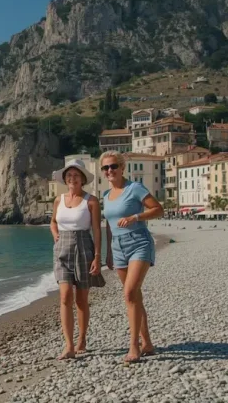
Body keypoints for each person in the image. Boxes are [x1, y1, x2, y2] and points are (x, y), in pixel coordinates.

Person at [100, 151, 164, 363]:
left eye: (113, 166)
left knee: (129, 293)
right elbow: (109, 226)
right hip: (117, 248)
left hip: (138, 242)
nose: (110, 170)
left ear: (122, 167)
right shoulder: (106, 196)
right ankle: (147, 343)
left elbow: (158, 209)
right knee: (134, 296)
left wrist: (136, 217)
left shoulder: (134, 188)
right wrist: (108, 253)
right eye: (106, 168)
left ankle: (134, 346)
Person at [50, 158, 104, 360]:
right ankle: (69, 345)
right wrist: (55, 234)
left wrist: (97, 256)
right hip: (61, 250)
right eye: (69, 175)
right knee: (65, 296)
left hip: (83, 248)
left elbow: (97, 230)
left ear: (82, 179)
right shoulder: (58, 200)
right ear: (65, 179)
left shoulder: (91, 201)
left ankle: (82, 339)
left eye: (76, 175)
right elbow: (53, 222)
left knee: (81, 299)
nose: (72, 178)